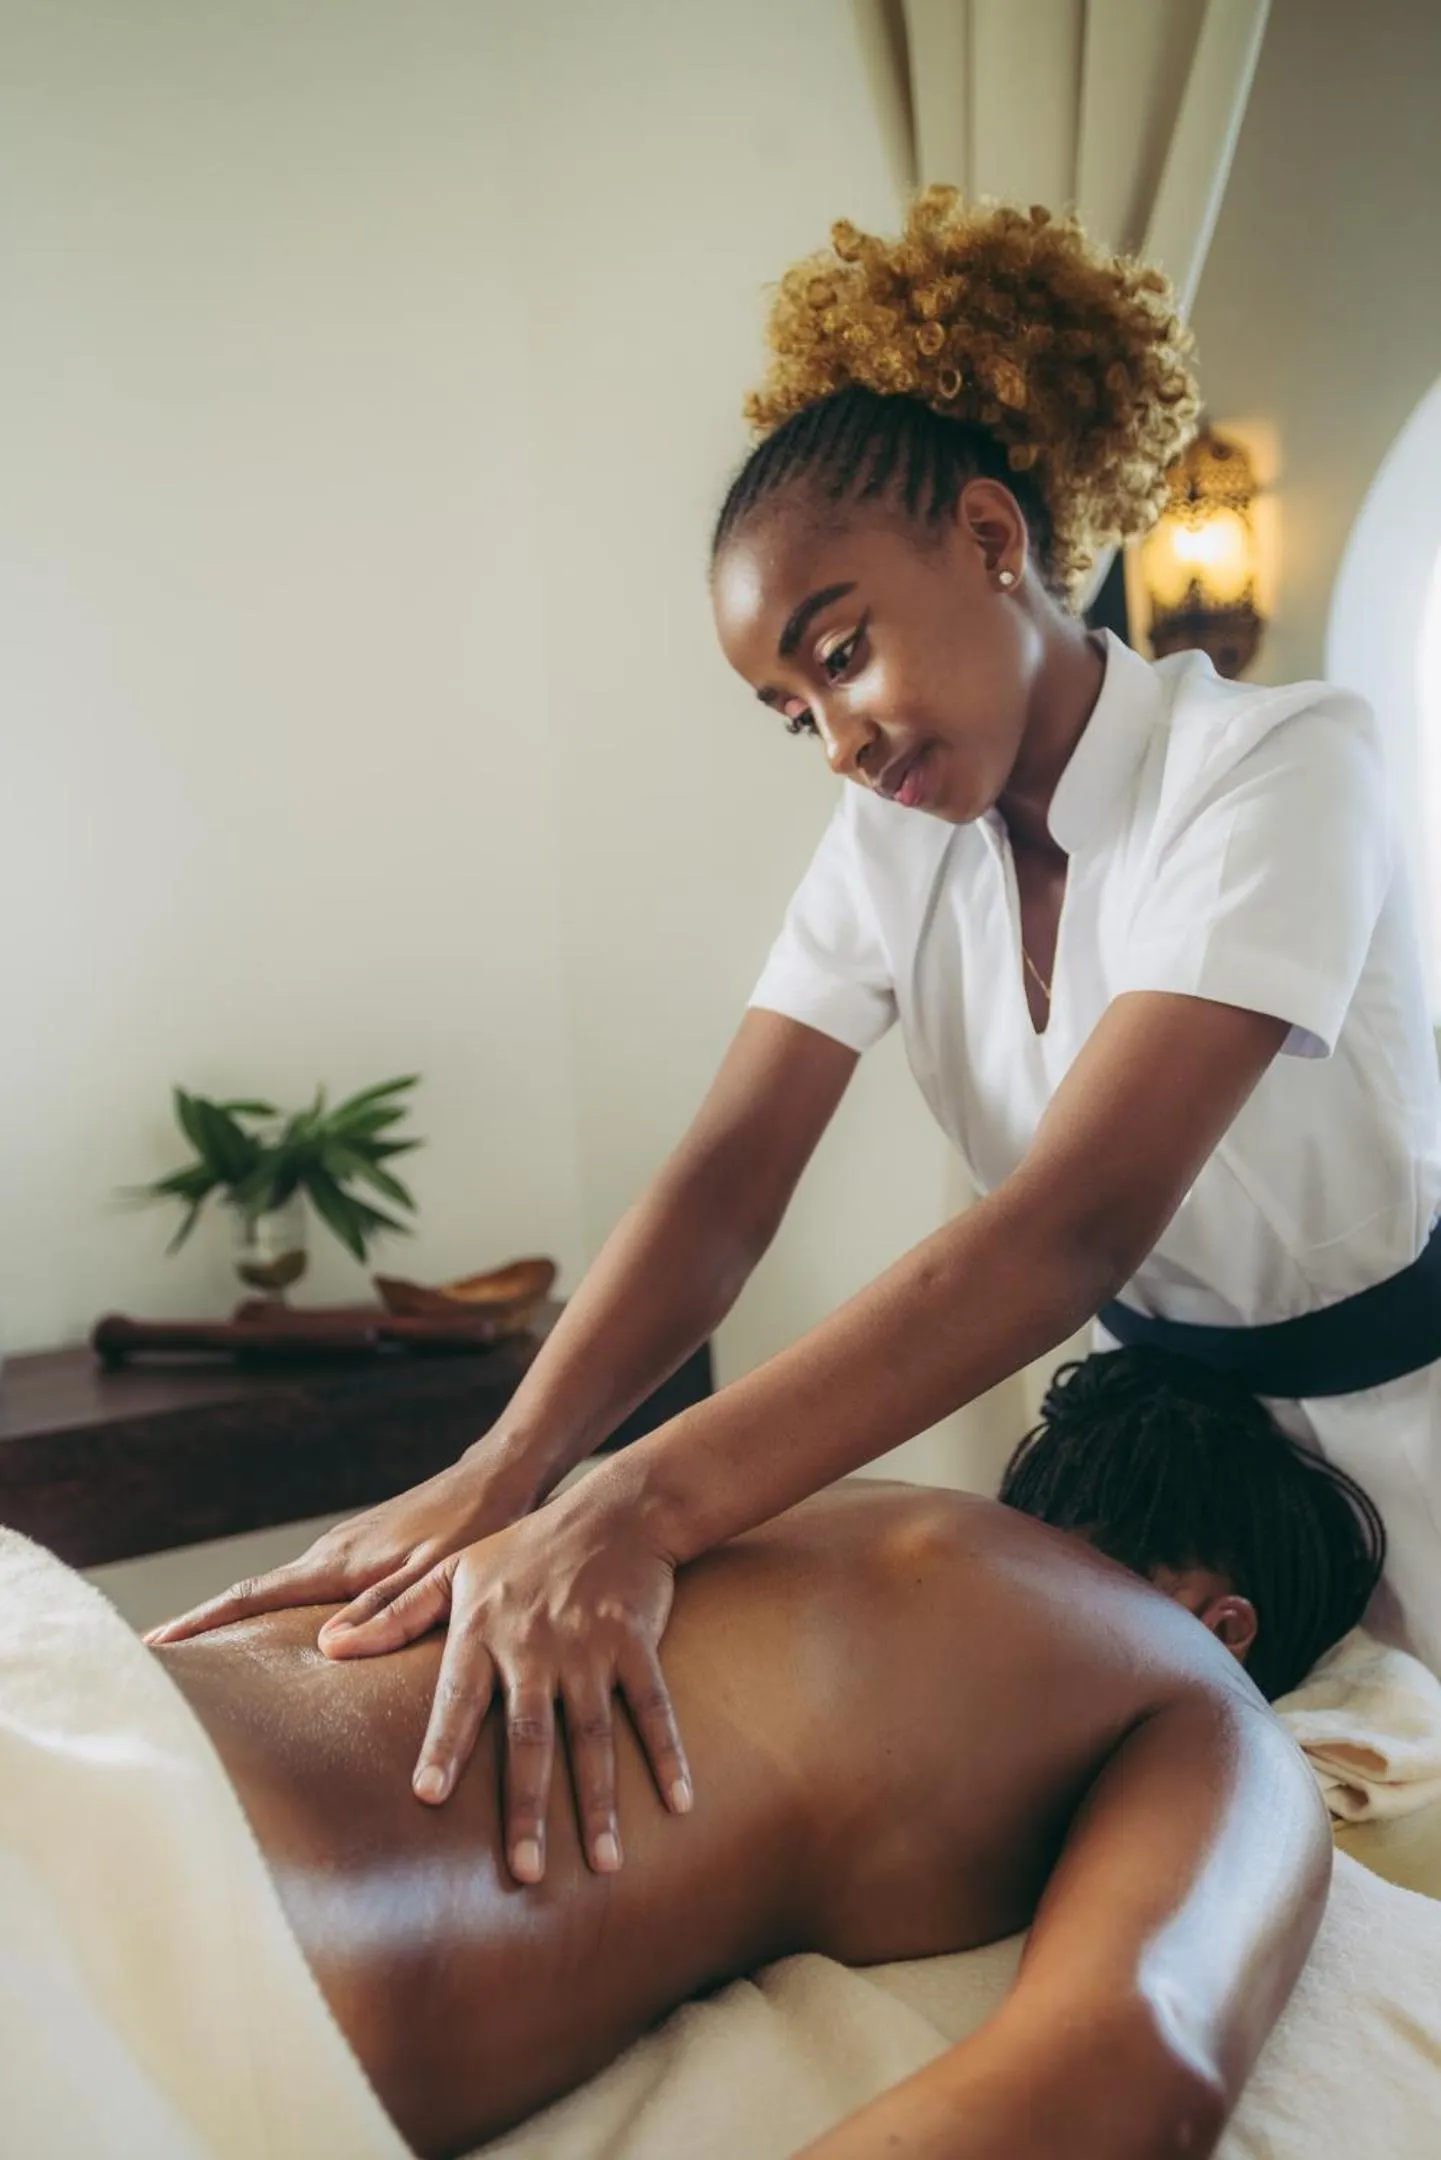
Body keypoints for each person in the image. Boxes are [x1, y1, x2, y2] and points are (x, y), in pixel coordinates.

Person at [151, 191, 1441, 1890]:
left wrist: (636, 1504)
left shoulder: (1282, 766)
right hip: (1156, 1469)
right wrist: (505, 1467)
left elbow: (1071, 1224)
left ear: (991, 537)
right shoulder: (902, 836)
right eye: (790, 710)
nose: (836, 738)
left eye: (842, 653)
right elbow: (724, 1182)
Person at [141, 1350, 1383, 2159]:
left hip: (88, 1682)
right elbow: (1128, 2072)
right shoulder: (1197, 1691)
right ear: (1233, 1625)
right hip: (205, 1918)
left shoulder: (749, 1505)